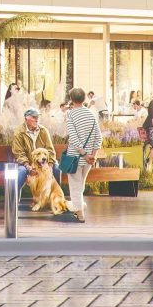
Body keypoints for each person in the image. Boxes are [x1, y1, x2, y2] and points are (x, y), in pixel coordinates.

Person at [10, 107, 67, 217]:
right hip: (26, 164)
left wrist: (49, 165)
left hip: (44, 163)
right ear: (26, 119)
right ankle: (13, 202)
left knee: (56, 168)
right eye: (34, 117)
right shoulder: (19, 132)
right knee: (20, 172)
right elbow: (18, 153)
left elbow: (50, 150)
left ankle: (54, 198)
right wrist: (28, 167)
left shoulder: (43, 130)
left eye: (38, 117)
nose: (37, 120)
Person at [58, 86, 102, 221]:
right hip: (88, 160)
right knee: (80, 184)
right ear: (84, 98)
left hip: (75, 157)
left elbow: (74, 138)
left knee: (75, 185)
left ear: (71, 99)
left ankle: (79, 212)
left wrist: (83, 154)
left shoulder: (70, 114)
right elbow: (98, 137)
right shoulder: (91, 114)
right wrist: (92, 155)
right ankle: (79, 205)